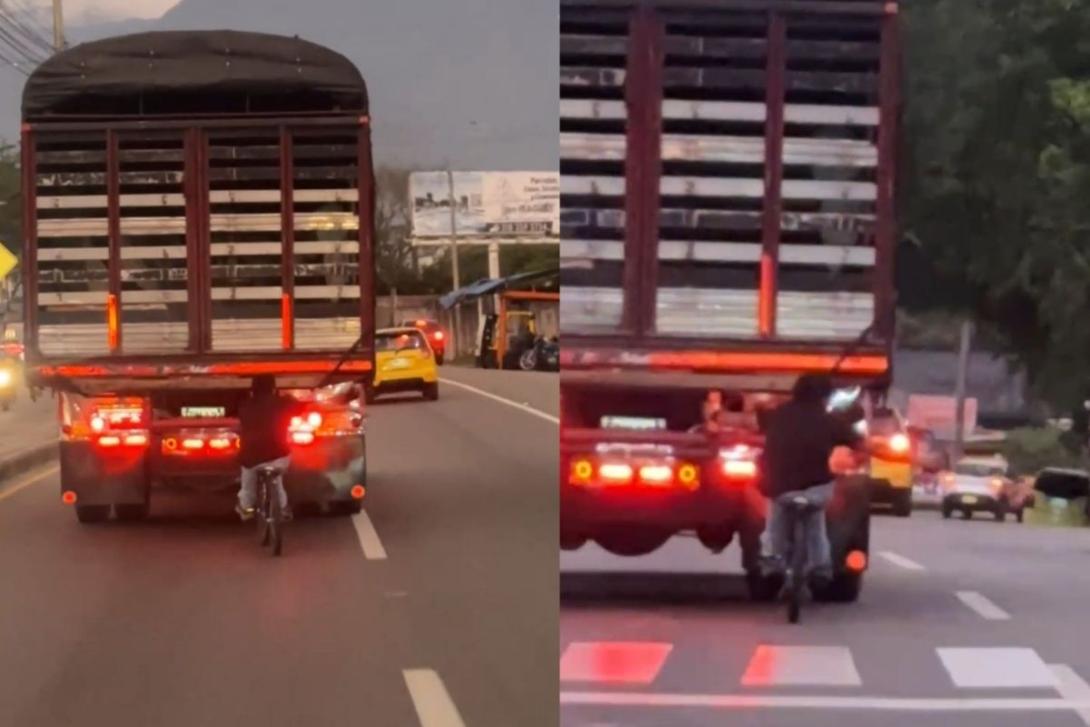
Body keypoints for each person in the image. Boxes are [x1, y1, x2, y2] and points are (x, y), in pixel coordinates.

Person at [758, 373, 863, 583]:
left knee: (776, 516)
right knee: (816, 520)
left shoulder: (777, 415)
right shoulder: (831, 421)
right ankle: (820, 568)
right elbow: (860, 444)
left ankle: (772, 561)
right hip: (817, 488)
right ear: (825, 396)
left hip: (779, 487)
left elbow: (759, 420)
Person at [236, 374, 302, 522]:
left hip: (251, 458)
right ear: (273, 388)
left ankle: (246, 509)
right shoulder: (283, 403)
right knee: (277, 479)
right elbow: (300, 408)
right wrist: (289, 397)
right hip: (279, 455)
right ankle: (283, 507)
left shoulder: (245, 405)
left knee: (247, 486)